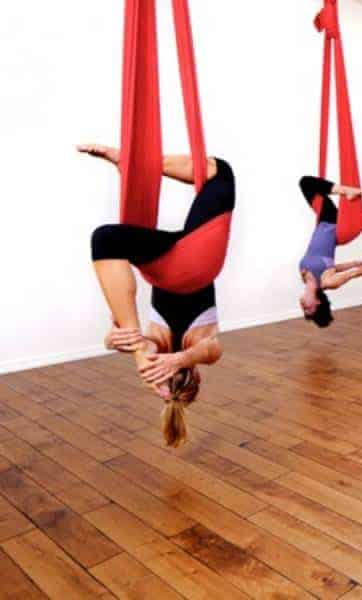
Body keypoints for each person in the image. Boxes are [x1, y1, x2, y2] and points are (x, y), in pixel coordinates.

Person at [79, 143, 232, 447]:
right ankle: (134, 162)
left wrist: (117, 341)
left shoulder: (160, 346)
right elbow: (212, 351)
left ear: (198, 378)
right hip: (177, 259)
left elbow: (211, 352)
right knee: (106, 239)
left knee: (221, 172)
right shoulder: (191, 347)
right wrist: (177, 359)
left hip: (188, 264)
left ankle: (132, 162)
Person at [298, 177, 362, 328]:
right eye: (308, 308)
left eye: (303, 310)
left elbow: (333, 267)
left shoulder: (305, 277)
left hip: (326, 220)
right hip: (339, 227)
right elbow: (352, 274)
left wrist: (354, 263)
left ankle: (347, 191)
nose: (303, 306)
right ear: (318, 302)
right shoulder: (328, 282)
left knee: (306, 183)